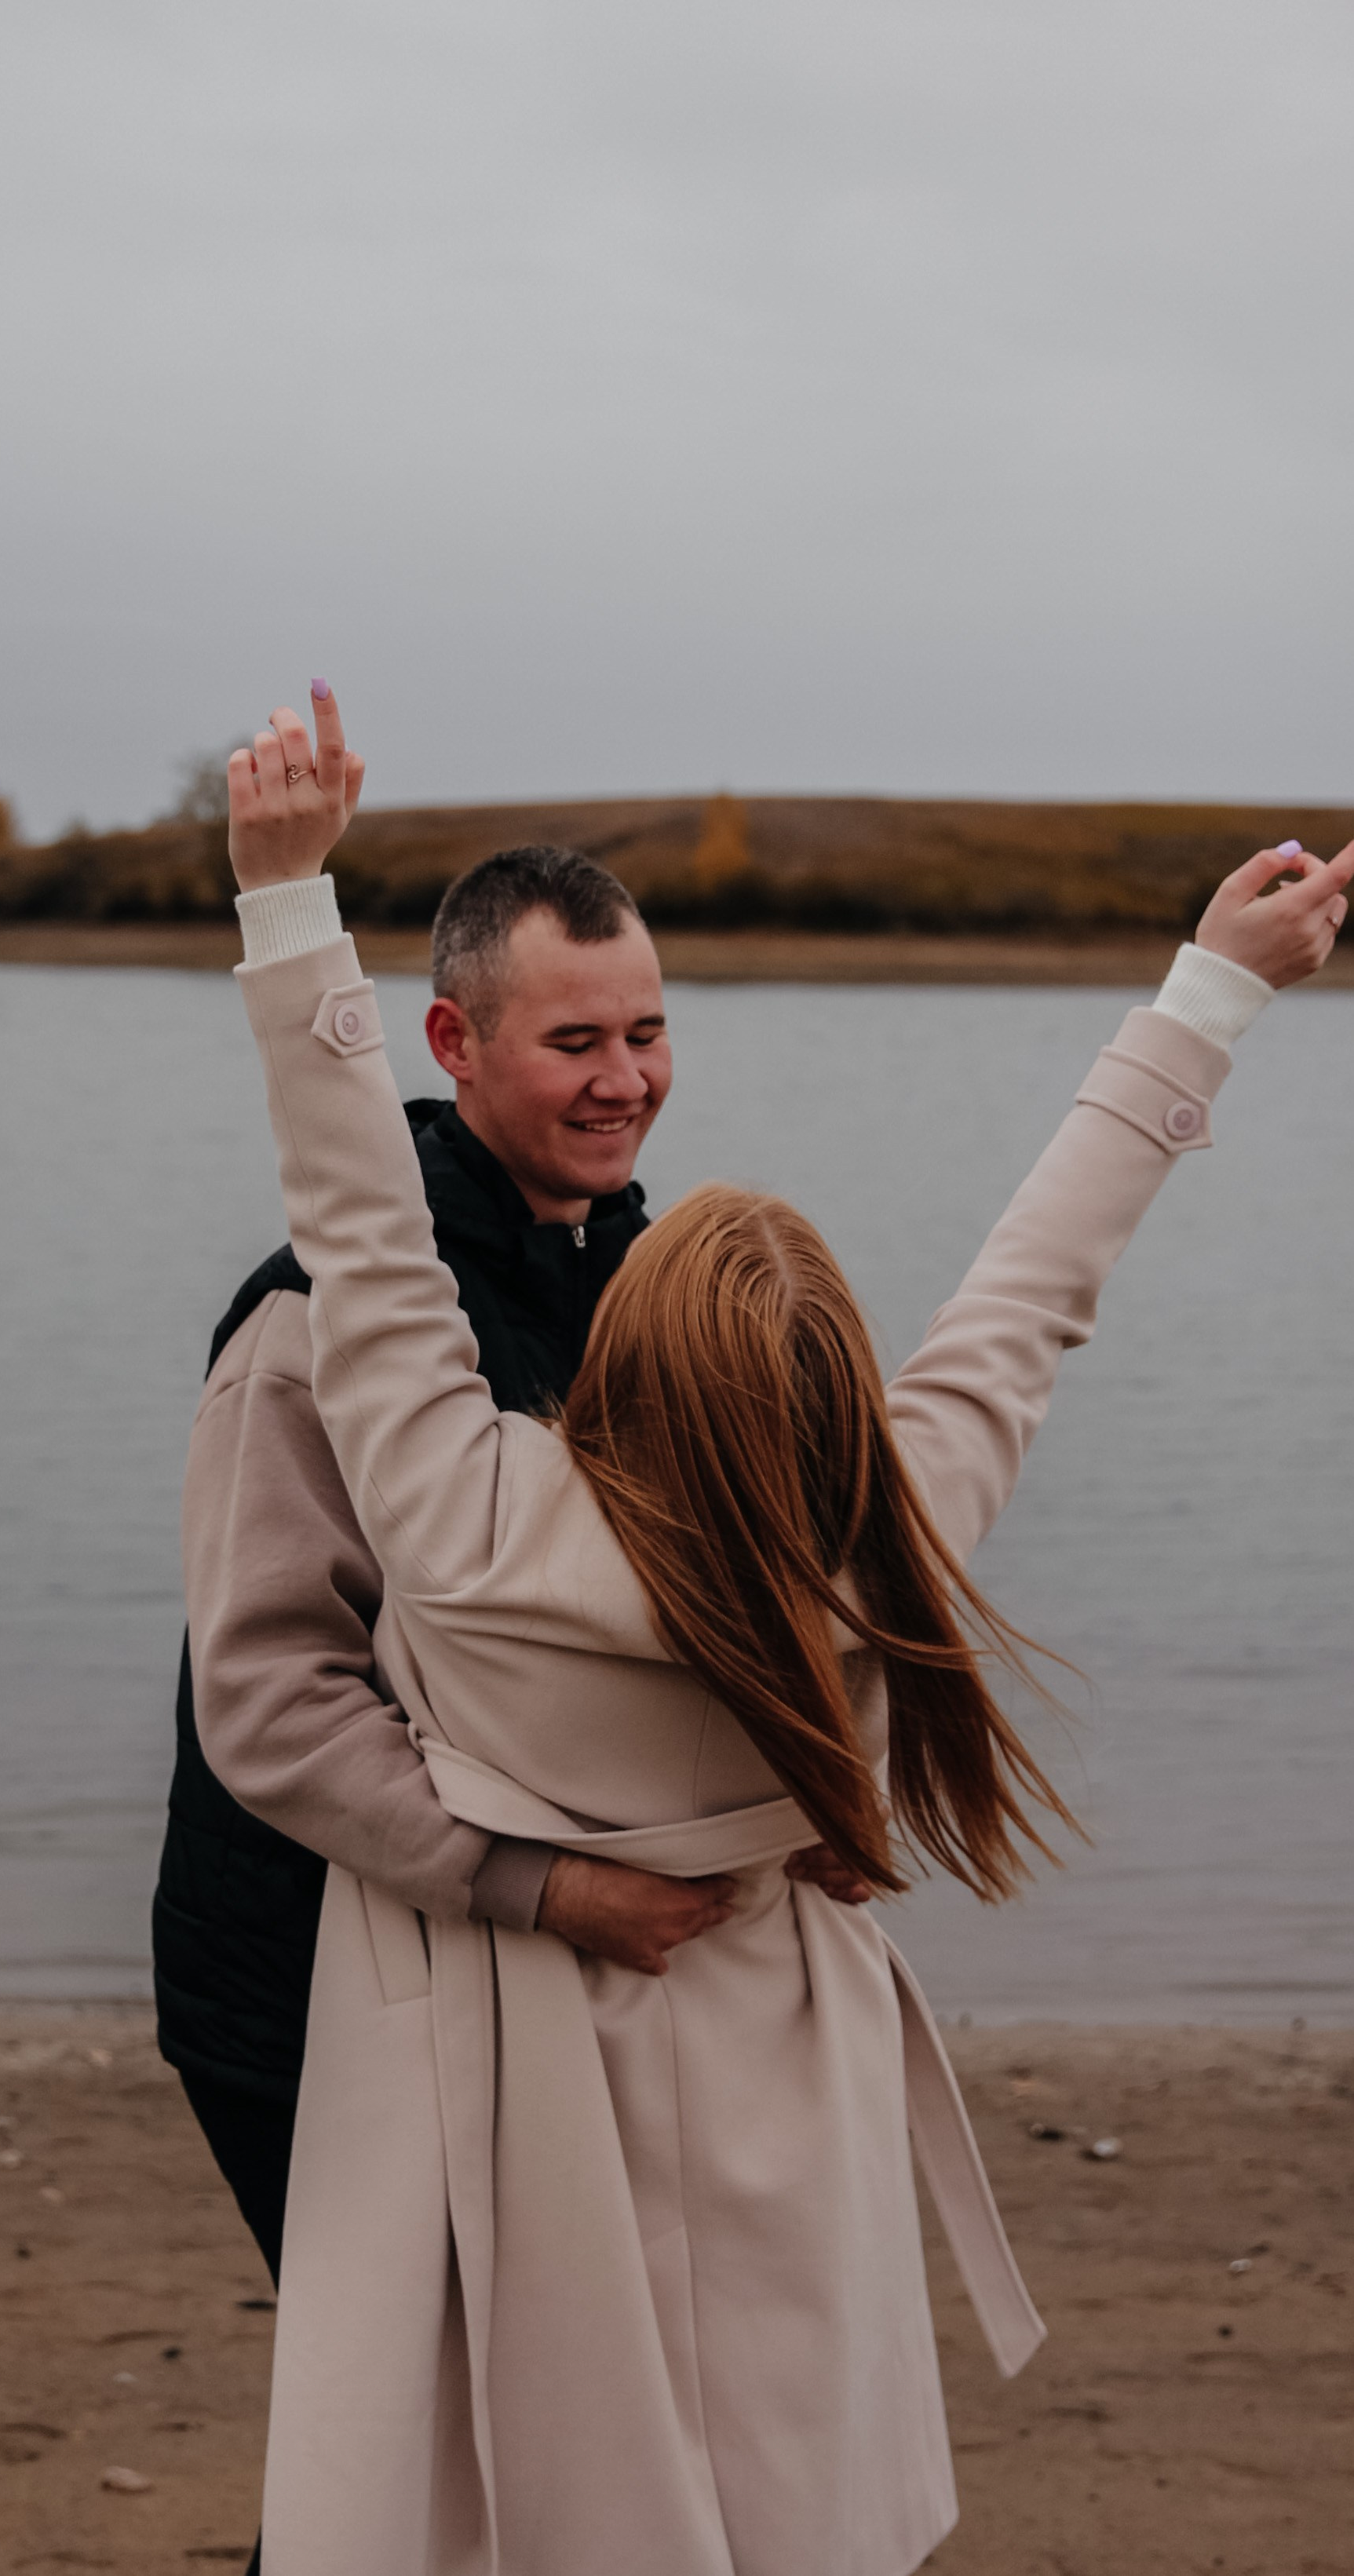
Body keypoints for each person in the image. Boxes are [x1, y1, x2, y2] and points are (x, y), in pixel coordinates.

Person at [221, 681, 1349, 2576]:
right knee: (784, 2460)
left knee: (544, 2483)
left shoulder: (468, 1511)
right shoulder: (884, 1526)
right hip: (772, 2026)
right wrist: (1203, 996)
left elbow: (355, 1209)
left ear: (612, 1360)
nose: (626, 1080)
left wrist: (282, 895)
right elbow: (1032, 1286)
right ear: (830, 1381)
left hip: (533, 2055)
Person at [154, 841, 872, 2292]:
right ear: (452, 1042)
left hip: (526, 1970)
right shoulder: (307, 1324)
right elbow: (268, 1700)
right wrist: (536, 1883)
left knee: (510, 2437)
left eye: (648, 1031)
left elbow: (703, 1606)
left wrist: (809, 1795)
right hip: (306, 1973)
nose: (627, 1080)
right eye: (577, 1042)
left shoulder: (653, 1288)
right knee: (406, 2439)